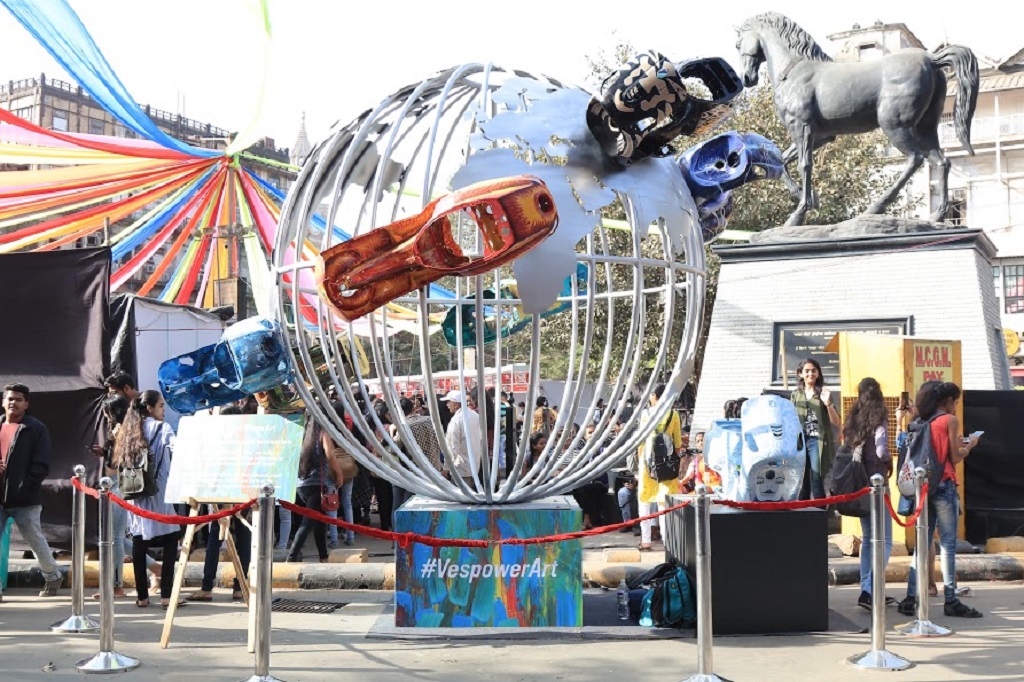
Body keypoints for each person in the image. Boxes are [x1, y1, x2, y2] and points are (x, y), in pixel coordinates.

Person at [898, 381, 983, 618]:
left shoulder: (921, 420)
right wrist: (970, 445)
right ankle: (951, 599)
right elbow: (955, 456)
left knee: (922, 544)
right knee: (947, 544)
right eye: (955, 402)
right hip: (944, 485)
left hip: (923, 487)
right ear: (947, 401)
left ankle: (911, 597)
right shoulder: (949, 420)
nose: (956, 406)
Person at [113, 390, 181, 609]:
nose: (164, 410)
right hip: (159, 491)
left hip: (135, 492)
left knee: (139, 541)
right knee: (170, 539)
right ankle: (167, 595)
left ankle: (142, 596)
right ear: (150, 408)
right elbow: (177, 448)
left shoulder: (128, 430)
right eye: (161, 405)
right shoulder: (163, 428)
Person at [0, 383, 63, 600]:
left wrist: (22, 486)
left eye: (18, 400)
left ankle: (53, 576)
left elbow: (41, 465)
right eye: (10, 399)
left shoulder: (36, 428)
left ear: (26, 404)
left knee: (34, 539)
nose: (13, 403)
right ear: (3, 401)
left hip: (25, 498)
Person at [187, 406, 251, 602]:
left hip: (224, 493)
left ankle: (208, 586)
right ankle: (239, 587)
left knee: (216, 539)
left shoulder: (221, 442)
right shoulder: (245, 441)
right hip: (242, 494)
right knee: (242, 540)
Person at [842, 377, 894, 610]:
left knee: (867, 539)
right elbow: (881, 450)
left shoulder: (853, 420)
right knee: (885, 540)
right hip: (878, 484)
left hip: (859, 485)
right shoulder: (879, 419)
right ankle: (873, 588)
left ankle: (866, 589)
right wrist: (888, 459)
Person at [286, 412, 345, 563]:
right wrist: (339, 474)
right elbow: (330, 456)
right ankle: (291, 557)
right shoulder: (322, 434)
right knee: (307, 523)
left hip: (301, 485)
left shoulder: (301, 433)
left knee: (319, 521)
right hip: (317, 484)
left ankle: (323, 555)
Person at [89, 393, 132, 598]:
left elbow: (120, 461)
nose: (105, 416)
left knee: (114, 538)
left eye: (106, 411)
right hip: (111, 484)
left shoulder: (123, 430)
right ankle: (155, 567)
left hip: (117, 485)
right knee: (114, 536)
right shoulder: (119, 429)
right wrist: (104, 451)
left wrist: (114, 442)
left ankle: (116, 586)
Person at [636, 384, 683, 551]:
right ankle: (667, 541)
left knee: (644, 501)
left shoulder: (646, 414)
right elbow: (677, 443)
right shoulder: (673, 414)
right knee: (664, 503)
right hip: (667, 463)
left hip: (648, 463)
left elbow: (641, 440)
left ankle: (646, 540)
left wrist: (640, 460)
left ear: (655, 396)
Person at [790, 359, 840, 499]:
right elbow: (790, 419)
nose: (810, 374)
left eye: (813, 371)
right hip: (800, 441)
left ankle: (820, 509)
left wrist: (827, 403)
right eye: (807, 371)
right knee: (802, 480)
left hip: (817, 441)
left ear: (818, 373)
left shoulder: (823, 393)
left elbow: (836, 421)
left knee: (816, 477)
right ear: (800, 374)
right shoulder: (796, 395)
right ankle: (803, 510)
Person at [390, 396, 443, 525]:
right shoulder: (430, 420)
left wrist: (392, 432)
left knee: (403, 507)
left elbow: (394, 449)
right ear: (413, 408)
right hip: (434, 469)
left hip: (415, 472)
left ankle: (399, 533)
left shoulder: (404, 426)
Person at [444, 390, 482, 487]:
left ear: (455, 404)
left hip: (461, 467)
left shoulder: (456, 420)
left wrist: (446, 467)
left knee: (462, 494)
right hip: (474, 465)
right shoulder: (475, 415)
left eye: (448, 402)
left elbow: (453, 446)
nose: (447, 405)